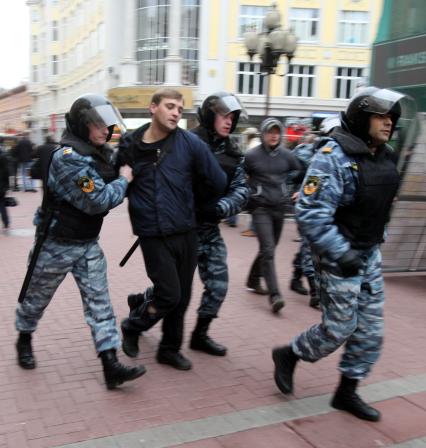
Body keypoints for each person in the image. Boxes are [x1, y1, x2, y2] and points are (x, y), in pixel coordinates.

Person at [272, 87, 406, 422]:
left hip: (367, 253)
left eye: (391, 117)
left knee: (371, 331)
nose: (388, 123)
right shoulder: (332, 156)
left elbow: (379, 207)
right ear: (362, 117)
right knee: (338, 329)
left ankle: (346, 392)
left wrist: (377, 239)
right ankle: (290, 354)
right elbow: (311, 213)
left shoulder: (384, 156)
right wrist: (341, 253)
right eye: (381, 116)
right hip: (338, 257)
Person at [15, 94, 146, 390]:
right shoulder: (68, 160)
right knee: (36, 300)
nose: (104, 130)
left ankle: (110, 364)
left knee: (100, 304)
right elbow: (98, 201)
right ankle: (24, 337)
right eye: (96, 124)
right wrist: (124, 180)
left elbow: (120, 163)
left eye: (105, 124)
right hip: (55, 245)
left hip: (87, 244)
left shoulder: (100, 154)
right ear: (81, 125)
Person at [118, 88, 227, 370]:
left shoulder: (191, 144)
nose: (176, 112)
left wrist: (195, 198)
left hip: (186, 229)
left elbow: (217, 180)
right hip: (151, 232)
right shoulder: (130, 144)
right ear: (152, 108)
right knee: (169, 294)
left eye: (180, 108)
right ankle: (133, 325)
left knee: (183, 296)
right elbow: (118, 181)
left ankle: (169, 349)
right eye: (170, 106)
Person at [189, 91, 249, 356]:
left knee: (218, 284)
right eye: (224, 116)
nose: (229, 122)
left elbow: (242, 190)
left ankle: (200, 334)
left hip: (209, 228)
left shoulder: (234, 154)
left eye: (233, 117)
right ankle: (141, 311)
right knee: (171, 291)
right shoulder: (186, 143)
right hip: (182, 229)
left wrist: (220, 207)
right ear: (210, 115)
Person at [244, 118, 302, 312]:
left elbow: (303, 171)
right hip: (260, 208)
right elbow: (239, 177)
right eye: (270, 131)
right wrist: (250, 192)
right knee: (268, 249)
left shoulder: (287, 155)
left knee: (269, 248)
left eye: (277, 131)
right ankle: (275, 294)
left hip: (280, 208)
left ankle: (253, 280)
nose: (274, 135)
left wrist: (297, 188)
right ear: (263, 133)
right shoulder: (252, 156)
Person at [240, 128, 261, 237]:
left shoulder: (253, 146)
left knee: (254, 204)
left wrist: (247, 177)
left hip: (256, 180)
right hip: (259, 179)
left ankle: (254, 229)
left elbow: (251, 165)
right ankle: (254, 228)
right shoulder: (257, 144)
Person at [0, 140, 10, 232]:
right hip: (1, 185)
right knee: (2, 204)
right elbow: (7, 172)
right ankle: (6, 222)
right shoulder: (3, 156)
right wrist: (7, 186)